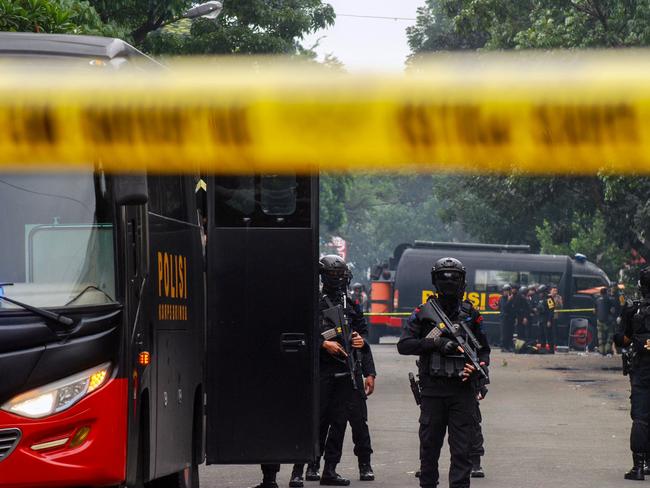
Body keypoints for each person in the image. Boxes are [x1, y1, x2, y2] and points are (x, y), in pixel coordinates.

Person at [398, 257, 490, 488]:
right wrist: (436, 344)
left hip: (462, 391)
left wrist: (478, 370)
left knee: (462, 452)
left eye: (454, 277)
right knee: (429, 451)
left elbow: (484, 350)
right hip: (433, 391)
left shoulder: (470, 313)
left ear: (462, 281)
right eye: (444, 277)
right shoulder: (423, 313)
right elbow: (404, 345)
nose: (449, 282)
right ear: (435, 281)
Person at [289, 255, 369, 488]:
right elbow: (300, 331)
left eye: (341, 275)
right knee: (314, 423)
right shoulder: (313, 301)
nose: (338, 279)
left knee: (339, 424)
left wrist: (358, 340)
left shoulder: (349, 304)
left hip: (346, 371)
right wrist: (324, 344)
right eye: (334, 275)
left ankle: (330, 470)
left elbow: (363, 332)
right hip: (320, 372)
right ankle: (298, 470)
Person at [614, 266, 650, 480]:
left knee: (641, 417)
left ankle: (638, 466)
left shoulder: (633, 310)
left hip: (642, 369)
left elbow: (622, 339)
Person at [322, 344, 377, 482]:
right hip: (327, 373)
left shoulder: (354, 321)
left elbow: (363, 343)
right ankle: (323, 467)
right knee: (331, 423)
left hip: (352, 372)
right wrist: (323, 343)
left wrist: (369, 373)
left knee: (359, 422)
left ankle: (365, 465)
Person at [595, 287, 613, 356]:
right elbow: (612, 310)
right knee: (609, 336)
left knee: (600, 337)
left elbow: (595, 310)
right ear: (606, 292)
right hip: (607, 321)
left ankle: (601, 351)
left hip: (599, 321)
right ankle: (607, 351)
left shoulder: (597, 300)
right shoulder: (609, 299)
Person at [499, 284, 515, 352]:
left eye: (508, 291)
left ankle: (509, 346)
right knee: (504, 333)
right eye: (505, 291)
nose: (506, 292)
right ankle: (503, 347)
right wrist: (508, 300)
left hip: (510, 319)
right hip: (504, 318)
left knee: (510, 333)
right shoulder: (502, 298)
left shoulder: (512, 298)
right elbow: (504, 307)